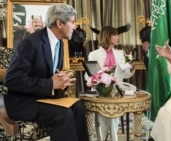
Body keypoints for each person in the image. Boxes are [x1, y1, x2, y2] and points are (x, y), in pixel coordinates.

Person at [3, 4, 89, 141]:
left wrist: (62, 81)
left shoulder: (60, 43)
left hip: (42, 98)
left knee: (78, 107)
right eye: (72, 22)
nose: (74, 26)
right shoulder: (30, 43)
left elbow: (51, 76)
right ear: (59, 23)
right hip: (23, 102)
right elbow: (12, 80)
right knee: (63, 114)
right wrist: (50, 83)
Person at [86, 26, 135, 141]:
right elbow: (87, 75)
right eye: (115, 35)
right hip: (100, 92)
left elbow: (125, 75)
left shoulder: (120, 53)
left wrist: (131, 68)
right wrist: (99, 77)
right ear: (107, 36)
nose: (118, 37)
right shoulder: (94, 54)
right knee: (105, 118)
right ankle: (111, 138)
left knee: (112, 118)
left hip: (116, 91)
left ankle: (108, 138)